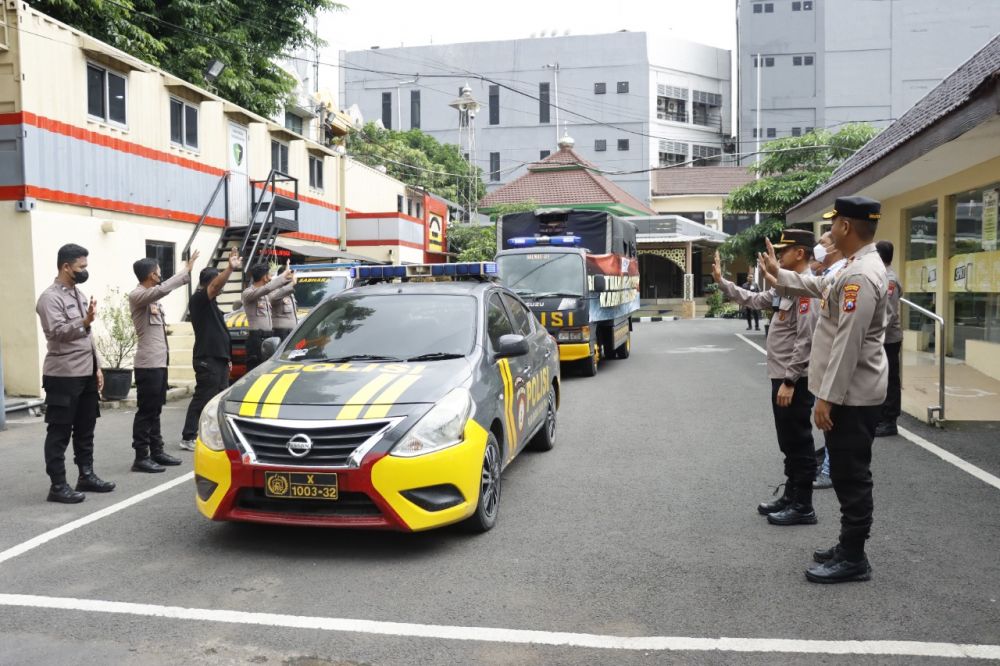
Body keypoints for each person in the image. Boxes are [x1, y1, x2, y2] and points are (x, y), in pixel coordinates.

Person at [759, 195, 888, 584]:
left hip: (852, 395)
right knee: (847, 471)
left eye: (832, 224)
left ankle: (854, 556)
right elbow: (818, 285)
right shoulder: (851, 267)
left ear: (846, 226)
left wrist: (827, 398)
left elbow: (847, 344)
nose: (828, 232)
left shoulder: (860, 275)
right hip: (849, 392)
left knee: (851, 475)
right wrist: (778, 275)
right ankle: (848, 546)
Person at [713, 229, 819, 526]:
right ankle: (791, 496)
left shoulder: (806, 288)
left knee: (799, 440)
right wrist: (722, 282)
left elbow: (806, 339)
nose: (779, 256)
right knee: (788, 441)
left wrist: (790, 381)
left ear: (800, 253)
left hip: (793, 379)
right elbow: (756, 299)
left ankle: (804, 505)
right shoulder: (787, 286)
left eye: (784, 251)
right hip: (782, 376)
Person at [35, 244, 116, 503]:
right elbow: (56, 332)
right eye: (81, 267)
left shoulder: (79, 295)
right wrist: (84, 322)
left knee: (85, 428)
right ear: (66, 266)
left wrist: (97, 366)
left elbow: (87, 337)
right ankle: (58, 486)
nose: (85, 271)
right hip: (63, 374)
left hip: (85, 372)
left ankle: (86, 475)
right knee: (59, 431)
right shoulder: (49, 298)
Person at [128, 250, 199, 473]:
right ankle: (141, 456)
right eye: (159, 272)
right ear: (151, 275)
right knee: (146, 411)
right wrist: (185, 271)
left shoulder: (152, 298)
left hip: (159, 362)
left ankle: (156, 451)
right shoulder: (138, 295)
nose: (161, 275)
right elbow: (162, 289)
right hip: (148, 364)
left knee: (156, 409)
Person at [180, 248, 242, 451]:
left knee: (219, 399)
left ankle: (213, 434)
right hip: (207, 358)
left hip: (219, 358)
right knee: (203, 397)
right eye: (218, 282)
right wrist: (230, 268)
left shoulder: (213, 305)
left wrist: (228, 358)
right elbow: (215, 285)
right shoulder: (199, 299)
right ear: (209, 283)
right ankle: (188, 436)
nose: (221, 286)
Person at [812, 231, 848, 490]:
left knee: (832, 421)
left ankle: (830, 469)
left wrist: (827, 393)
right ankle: (828, 464)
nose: (818, 247)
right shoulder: (828, 274)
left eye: (823, 243)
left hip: (834, 368)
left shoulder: (843, 274)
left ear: (835, 247)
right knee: (829, 425)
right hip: (824, 365)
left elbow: (846, 338)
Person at [241, 261, 294, 372]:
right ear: (264, 277)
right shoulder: (248, 293)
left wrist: (286, 278)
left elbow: (271, 288)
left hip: (269, 337)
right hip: (257, 338)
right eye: (269, 275)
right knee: (256, 370)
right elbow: (267, 288)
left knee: (269, 370)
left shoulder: (265, 295)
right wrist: (283, 276)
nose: (270, 278)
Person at [875, 240, 902, 437]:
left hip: (889, 339)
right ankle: (882, 417)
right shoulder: (882, 276)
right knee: (882, 378)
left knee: (890, 378)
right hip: (882, 338)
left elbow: (888, 314)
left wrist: (873, 335)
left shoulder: (890, 280)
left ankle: (890, 420)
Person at [268, 263, 299, 340]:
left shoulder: (289, 291)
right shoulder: (274, 288)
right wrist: (291, 284)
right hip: (281, 332)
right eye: (289, 274)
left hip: (292, 331)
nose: (292, 276)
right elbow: (273, 298)